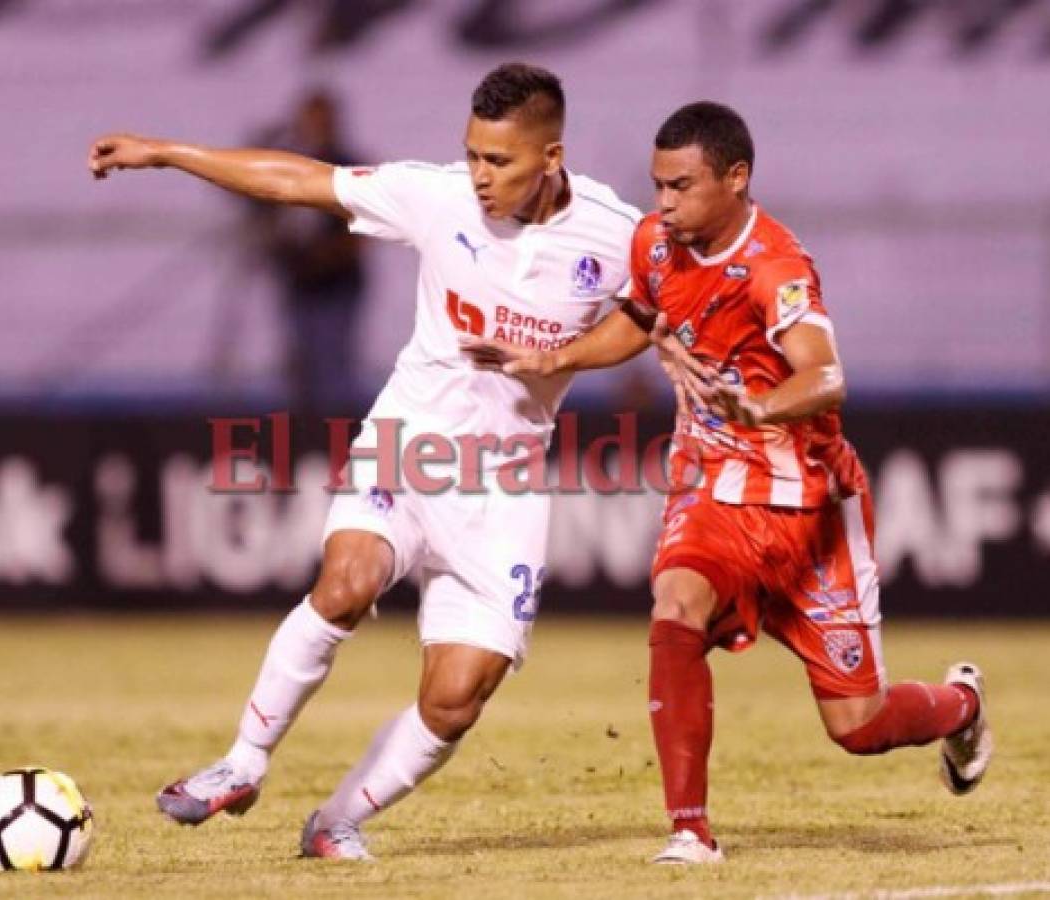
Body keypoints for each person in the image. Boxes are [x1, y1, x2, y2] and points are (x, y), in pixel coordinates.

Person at [87, 63, 642, 859]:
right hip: (406, 439)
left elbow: (649, 316)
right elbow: (296, 182)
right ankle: (240, 763)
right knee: (345, 583)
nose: (479, 177)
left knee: (455, 701)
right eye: (473, 155)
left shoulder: (615, 234)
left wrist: (566, 358)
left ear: (550, 157)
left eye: (499, 162)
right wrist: (169, 152)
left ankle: (334, 821)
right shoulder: (437, 194)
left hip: (504, 485)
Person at [464, 101, 992, 865]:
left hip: (809, 511)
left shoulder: (775, 268)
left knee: (859, 728)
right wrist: (559, 359)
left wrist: (760, 404)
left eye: (680, 187)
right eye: (656, 186)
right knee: (675, 606)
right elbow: (642, 318)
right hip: (711, 491)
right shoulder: (655, 242)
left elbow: (826, 374)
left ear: (736, 178)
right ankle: (690, 830)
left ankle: (961, 705)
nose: (663, 205)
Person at [209, 89, 367, 410]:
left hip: (336, 283)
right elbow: (247, 191)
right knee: (299, 366)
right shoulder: (288, 165)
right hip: (298, 283)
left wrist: (331, 254)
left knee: (333, 364)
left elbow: (364, 229)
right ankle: (304, 437)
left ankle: (340, 435)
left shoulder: (348, 167)